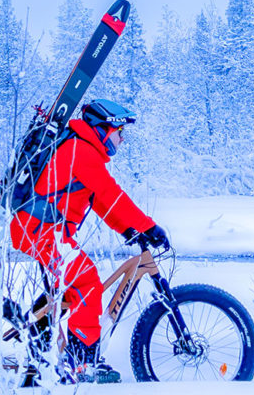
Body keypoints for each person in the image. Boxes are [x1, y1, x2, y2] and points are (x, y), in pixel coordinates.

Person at [9, 99, 170, 384]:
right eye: (120, 133)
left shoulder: (80, 149)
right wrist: (149, 227)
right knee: (86, 281)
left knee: (67, 295)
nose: (122, 140)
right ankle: (82, 363)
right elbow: (112, 195)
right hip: (41, 231)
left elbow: (103, 204)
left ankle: (39, 353)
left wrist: (130, 230)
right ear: (103, 129)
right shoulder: (80, 150)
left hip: (41, 231)